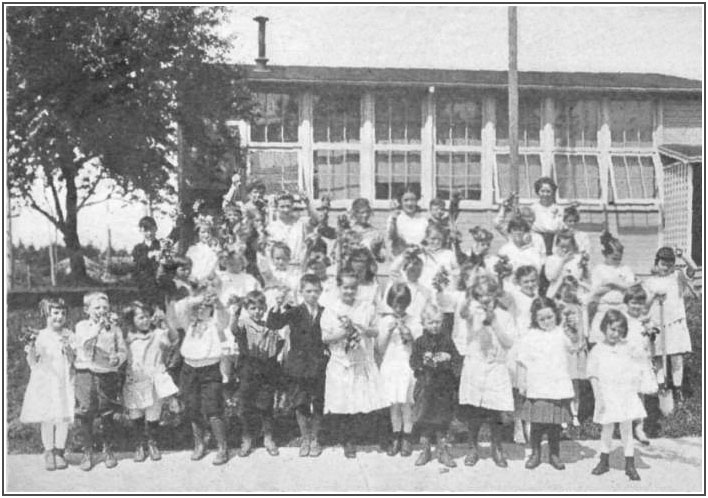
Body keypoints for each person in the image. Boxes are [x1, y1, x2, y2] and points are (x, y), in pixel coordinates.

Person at [321, 271, 386, 458]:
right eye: (345, 287)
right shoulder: (331, 309)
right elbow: (325, 338)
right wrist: (344, 332)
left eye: (353, 288)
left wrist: (362, 328)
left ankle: (364, 435)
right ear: (339, 288)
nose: (349, 291)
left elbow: (375, 332)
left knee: (361, 399)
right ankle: (347, 439)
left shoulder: (366, 307)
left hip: (361, 359)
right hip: (342, 361)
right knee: (344, 402)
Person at [454, 275, 515, 468]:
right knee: (474, 410)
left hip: (496, 366)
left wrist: (495, 322)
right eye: (480, 295)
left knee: (495, 411)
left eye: (489, 294)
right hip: (476, 364)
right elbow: (462, 321)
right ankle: (473, 446)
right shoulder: (471, 312)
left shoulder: (505, 315)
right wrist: (468, 307)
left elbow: (508, 342)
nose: (485, 299)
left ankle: (497, 447)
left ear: (496, 294)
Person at [267, 274, 328, 458]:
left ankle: (315, 439)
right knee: (300, 402)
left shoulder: (325, 312)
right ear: (301, 292)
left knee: (318, 402)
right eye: (308, 291)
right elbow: (274, 323)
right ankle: (305, 438)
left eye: (316, 291)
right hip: (299, 365)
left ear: (321, 291)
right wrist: (278, 304)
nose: (312, 295)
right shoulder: (295, 311)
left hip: (318, 364)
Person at [172, 291, 234, 465]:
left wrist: (216, 302)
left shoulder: (215, 324)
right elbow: (180, 307)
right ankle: (200, 443)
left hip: (210, 370)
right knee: (192, 407)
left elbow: (224, 316)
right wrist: (198, 298)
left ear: (211, 309)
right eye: (197, 308)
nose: (200, 310)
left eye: (204, 307)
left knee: (214, 409)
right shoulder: (189, 324)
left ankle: (222, 447)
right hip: (189, 370)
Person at [516, 297, 576, 471]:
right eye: (541, 319)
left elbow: (573, 347)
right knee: (537, 423)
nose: (546, 322)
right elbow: (522, 360)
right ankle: (535, 453)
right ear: (535, 319)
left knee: (554, 424)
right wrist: (522, 382)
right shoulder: (530, 336)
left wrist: (572, 328)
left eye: (549, 317)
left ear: (556, 315)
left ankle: (554, 453)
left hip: (557, 386)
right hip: (538, 385)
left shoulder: (561, 333)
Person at [587, 309, 646, 481]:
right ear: (604, 327)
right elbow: (592, 374)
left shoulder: (626, 347)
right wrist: (598, 395)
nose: (616, 334)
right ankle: (603, 460)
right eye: (612, 329)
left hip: (624, 393)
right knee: (607, 427)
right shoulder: (598, 349)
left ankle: (630, 463)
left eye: (620, 331)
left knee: (626, 428)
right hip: (607, 394)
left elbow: (638, 362)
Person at [73, 292, 127, 471]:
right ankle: (87, 451)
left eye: (105, 307)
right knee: (86, 410)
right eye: (97, 308)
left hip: (106, 373)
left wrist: (117, 359)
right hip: (86, 372)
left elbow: (122, 350)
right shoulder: (82, 326)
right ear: (86, 310)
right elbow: (84, 344)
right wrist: (98, 327)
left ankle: (108, 448)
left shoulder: (114, 328)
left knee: (107, 410)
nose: (102, 311)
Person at [20, 298, 75, 471]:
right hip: (46, 381)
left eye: (63, 313)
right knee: (48, 417)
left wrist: (69, 350)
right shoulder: (40, 336)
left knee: (63, 417)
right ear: (46, 315)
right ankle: (49, 451)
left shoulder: (69, 335)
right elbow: (32, 362)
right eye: (55, 313)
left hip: (64, 380)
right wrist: (31, 346)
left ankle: (60, 451)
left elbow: (75, 360)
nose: (59, 317)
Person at [121, 301, 179, 463]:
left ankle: (153, 443)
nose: (145, 320)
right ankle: (139, 445)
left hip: (154, 381)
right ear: (132, 320)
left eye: (147, 317)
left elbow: (174, 339)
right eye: (140, 318)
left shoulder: (159, 334)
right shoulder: (127, 338)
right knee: (136, 414)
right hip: (135, 381)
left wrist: (165, 320)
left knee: (153, 414)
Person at [232, 290, 285, 457]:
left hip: (267, 370)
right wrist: (236, 310)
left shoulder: (268, 325)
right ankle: (247, 438)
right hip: (248, 369)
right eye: (253, 308)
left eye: (261, 308)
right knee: (246, 406)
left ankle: (268, 437)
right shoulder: (244, 323)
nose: (257, 311)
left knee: (266, 405)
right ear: (247, 309)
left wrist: (278, 305)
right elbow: (234, 329)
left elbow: (278, 342)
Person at [410, 304, 462, 467]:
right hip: (425, 386)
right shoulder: (419, 342)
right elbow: (413, 361)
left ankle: (442, 451)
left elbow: (457, 360)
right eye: (431, 322)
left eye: (438, 322)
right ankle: (425, 450)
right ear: (423, 323)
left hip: (443, 387)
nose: (435, 326)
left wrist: (448, 357)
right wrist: (422, 361)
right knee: (424, 418)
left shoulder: (447, 340)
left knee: (442, 419)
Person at [377, 283, 422, 458]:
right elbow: (380, 349)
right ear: (390, 303)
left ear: (407, 303)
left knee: (406, 403)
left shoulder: (414, 321)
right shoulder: (385, 321)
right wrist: (388, 333)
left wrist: (408, 334)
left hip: (407, 365)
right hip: (391, 365)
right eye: (395, 304)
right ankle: (396, 435)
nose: (399, 308)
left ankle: (407, 437)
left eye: (402, 304)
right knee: (394, 403)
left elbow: (418, 347)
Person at [644, 247, 694, 404]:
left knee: (676, 356)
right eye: (662, 263)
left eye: (669, 264)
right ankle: (661, 387)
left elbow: (692, 268)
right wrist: (653, 296)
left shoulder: (678, 276)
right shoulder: (650, 282)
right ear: (656, 263)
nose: (665, 267)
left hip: (675, 323)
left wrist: (683, 256)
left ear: (673, 265)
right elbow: (644, 305)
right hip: (657, 324)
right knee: (658, 357)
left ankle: (677, 389)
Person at [503, 265, 540, 444]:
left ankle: (530, 424)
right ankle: (518, 424)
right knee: (519, 388)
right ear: (518, 282)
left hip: (535, 346)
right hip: (520, 345)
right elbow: (503, 297)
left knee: (533, 388)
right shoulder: (515, 296)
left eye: (533, 280)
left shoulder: (538, 297)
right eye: (526, 281)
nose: (530, 284)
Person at [623, 284, 659, 445]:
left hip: (641, 361)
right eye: (633, 302)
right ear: (627, 303)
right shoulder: (623, 319)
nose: (636, 306)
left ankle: (639, 427)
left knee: (640, 395)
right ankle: (625, 426)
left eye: (639, 303)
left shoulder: (645, 320)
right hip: (626, 361)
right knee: (625, 394)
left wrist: (651, 333)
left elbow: (650, 341)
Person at [587, 231, 635, 347]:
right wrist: (620, 285)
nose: (617, 262)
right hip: (604, 309)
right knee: (602, 343)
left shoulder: (625, 269)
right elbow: (596, 292)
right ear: (605, 254)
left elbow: (630, 289)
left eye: (619, 259)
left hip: (621, 309)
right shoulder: (599, 269)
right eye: (614, 258)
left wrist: (611, 283)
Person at [267, 191, 322, 266]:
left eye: (288, 206)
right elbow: (269, 254)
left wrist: (308, 204)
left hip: (299, 269)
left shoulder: (301, 223)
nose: (286, 210)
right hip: (280, 271)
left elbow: (317, 220)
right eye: (282, 207)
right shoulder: (271, 228)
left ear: (292, 206)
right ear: (276, 207)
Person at [497, 216, 545, 287]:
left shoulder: (532, 250)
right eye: (515, 230)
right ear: (510, 232)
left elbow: (536, 269)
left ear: (526, 232)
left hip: (528, 287)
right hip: (510, 287)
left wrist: (513, 266)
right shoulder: (504, 249)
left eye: (521, 230)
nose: (518, 233)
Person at [544, 229, 590, 299]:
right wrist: (563, 262)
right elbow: (551, 278)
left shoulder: (579, 258)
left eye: (567, 247)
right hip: (556, 294)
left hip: (576, 294)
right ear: (556, 245)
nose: (564, 250)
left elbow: (585, 278)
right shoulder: (551, 259)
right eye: (562, 247)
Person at [132, 216, 164, 309]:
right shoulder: (138, 248)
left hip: (160, 287)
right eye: (146, 230)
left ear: (156, 229)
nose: (149, 233)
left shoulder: (162, 246)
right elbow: (137, 266)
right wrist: (148, 256)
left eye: (151, 229)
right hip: (144, 286)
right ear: (141, 231)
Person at [386, 187, 428, 256]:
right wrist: (393, 220)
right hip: (400, 255)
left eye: (413, 200)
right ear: (400, 201)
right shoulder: (395, 218)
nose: (410, 203)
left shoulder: (423, 219)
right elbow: (390, 237)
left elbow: (427, 240)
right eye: (406, 200)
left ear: (417, 201)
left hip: (420, 256)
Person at [530, 177, 564, 255]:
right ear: (538, 192)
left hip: (554, 243)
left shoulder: (559, 209)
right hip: (537, 243)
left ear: (553, 192)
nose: (545, 194)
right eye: (542, 191)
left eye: (548, 191)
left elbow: (559, 228)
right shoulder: (533, 209)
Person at [186, 216, 220, 284]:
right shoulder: (192, 249)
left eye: (208, 232)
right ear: (197, 233)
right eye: (203, 232)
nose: (206, 235)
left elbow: (215, 266)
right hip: (195, 280)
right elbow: (190, 266)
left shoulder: (215, 249)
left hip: (210, 280)